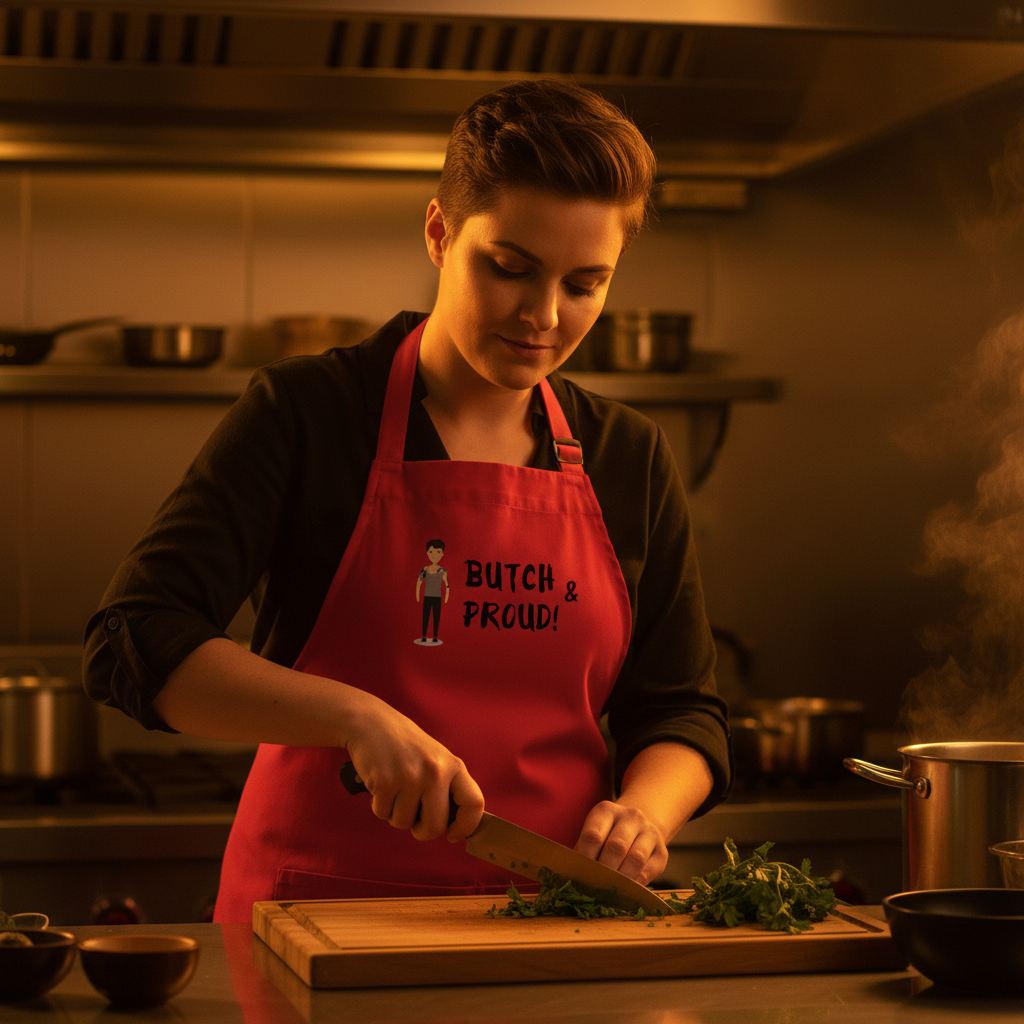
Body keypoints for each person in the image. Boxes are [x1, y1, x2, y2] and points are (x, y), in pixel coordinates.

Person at [83, 79, 731, 922]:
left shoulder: (628, 455)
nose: (543, 316)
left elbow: (681, 708)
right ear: (438, 232)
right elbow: (133, 636)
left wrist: (646, 812)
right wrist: (355, 717)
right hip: (316, 919)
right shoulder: (308, 415)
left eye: (585, 284)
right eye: (510, 269)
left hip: (551, 926)